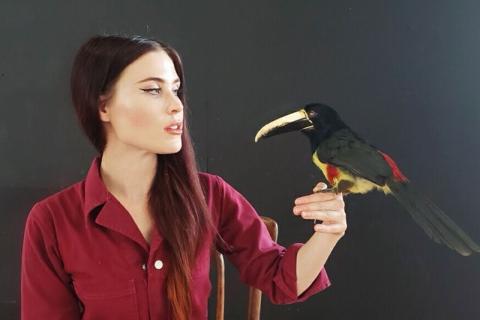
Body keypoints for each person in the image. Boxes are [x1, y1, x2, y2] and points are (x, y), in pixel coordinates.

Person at [20, 34, 347, 320]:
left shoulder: (210, 194)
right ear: (102, 106)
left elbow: (280, 279)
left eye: (176, 90)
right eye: (152, 90)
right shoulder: (52, 221)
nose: (176, 105)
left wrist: (328, 233)